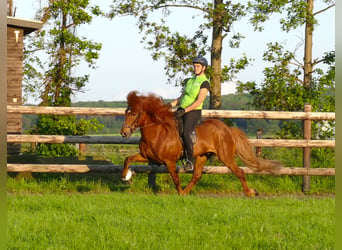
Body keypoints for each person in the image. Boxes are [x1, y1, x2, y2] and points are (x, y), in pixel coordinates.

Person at [169, 56, 210, 171]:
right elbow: (181, 97)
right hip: (182, 109)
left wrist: (185, 110)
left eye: (198, 66)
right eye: (194, 66)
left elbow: (199, 101)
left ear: (203, 68)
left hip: (193, 111)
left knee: (186, 133)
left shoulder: (205, 83)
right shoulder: (190, 80)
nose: (195, 68)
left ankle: (189, 160)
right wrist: (170, 105)